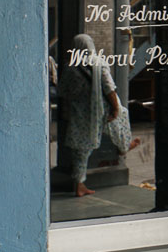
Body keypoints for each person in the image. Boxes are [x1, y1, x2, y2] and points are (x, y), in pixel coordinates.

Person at [58, 33, 140, 197]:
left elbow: (62, 91)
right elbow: (109, 88)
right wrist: (115, 108)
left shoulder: (69, 67)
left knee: (82, 148)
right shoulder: (98, 63)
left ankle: (79, 184)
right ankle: (124, 147)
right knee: (121, 118)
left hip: (80, 112)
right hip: (101, 110)